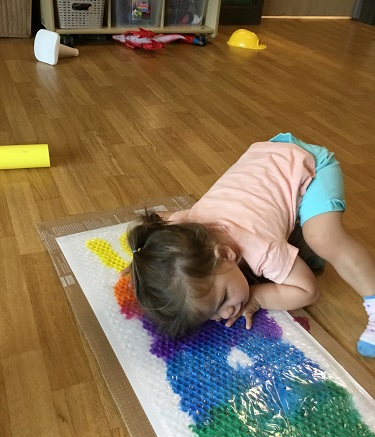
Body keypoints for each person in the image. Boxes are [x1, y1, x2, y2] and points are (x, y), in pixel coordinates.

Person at [126, 133, 375, 357]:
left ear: (224, 253)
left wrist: (256, 297)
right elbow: (161, 218)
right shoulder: (186, 224)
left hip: (307, 165)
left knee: (322, 237)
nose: (224, 315)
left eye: (223, 299)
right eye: (211, 315)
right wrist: (149, 266)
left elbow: (308, 290)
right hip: (264, 155)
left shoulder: (262, 250)